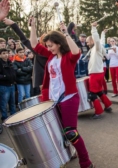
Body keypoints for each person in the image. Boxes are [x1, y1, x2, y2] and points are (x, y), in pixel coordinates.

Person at [29, 17, 94, 168]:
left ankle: (86, 162)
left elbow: (76, 51)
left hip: (69, 98)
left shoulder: (68, 57)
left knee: (70, 132)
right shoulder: (51, 56)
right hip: (52, 100)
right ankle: (71, 152)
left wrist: (66, 34)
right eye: (47, 46)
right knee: (59, 131)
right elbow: (34, 45)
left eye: (51, 45)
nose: (49, 48)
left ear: (59, 44)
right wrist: (32, 26)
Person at [85, 23, 112, 119]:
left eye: (88, 42)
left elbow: (98, 40)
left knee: (92, 94)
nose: (87, 44)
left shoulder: (97, 47)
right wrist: (103, 33)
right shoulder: (96, 48)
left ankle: (98, 111)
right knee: (99, 91)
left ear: (92, 40)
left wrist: (93, 28)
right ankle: (108, 105)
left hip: (95, 74)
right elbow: (101, 40)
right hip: (98, 73)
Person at [0, 48, 16, 122]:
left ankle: (13, 116)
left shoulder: (10, 62)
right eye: (3, 53)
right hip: (4, 86)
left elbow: (13, 72)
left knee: (12, 102)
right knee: (4, 103)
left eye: (6, 53)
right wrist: (5, 76)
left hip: (12, 85)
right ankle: (5, 117)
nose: (6, 55)